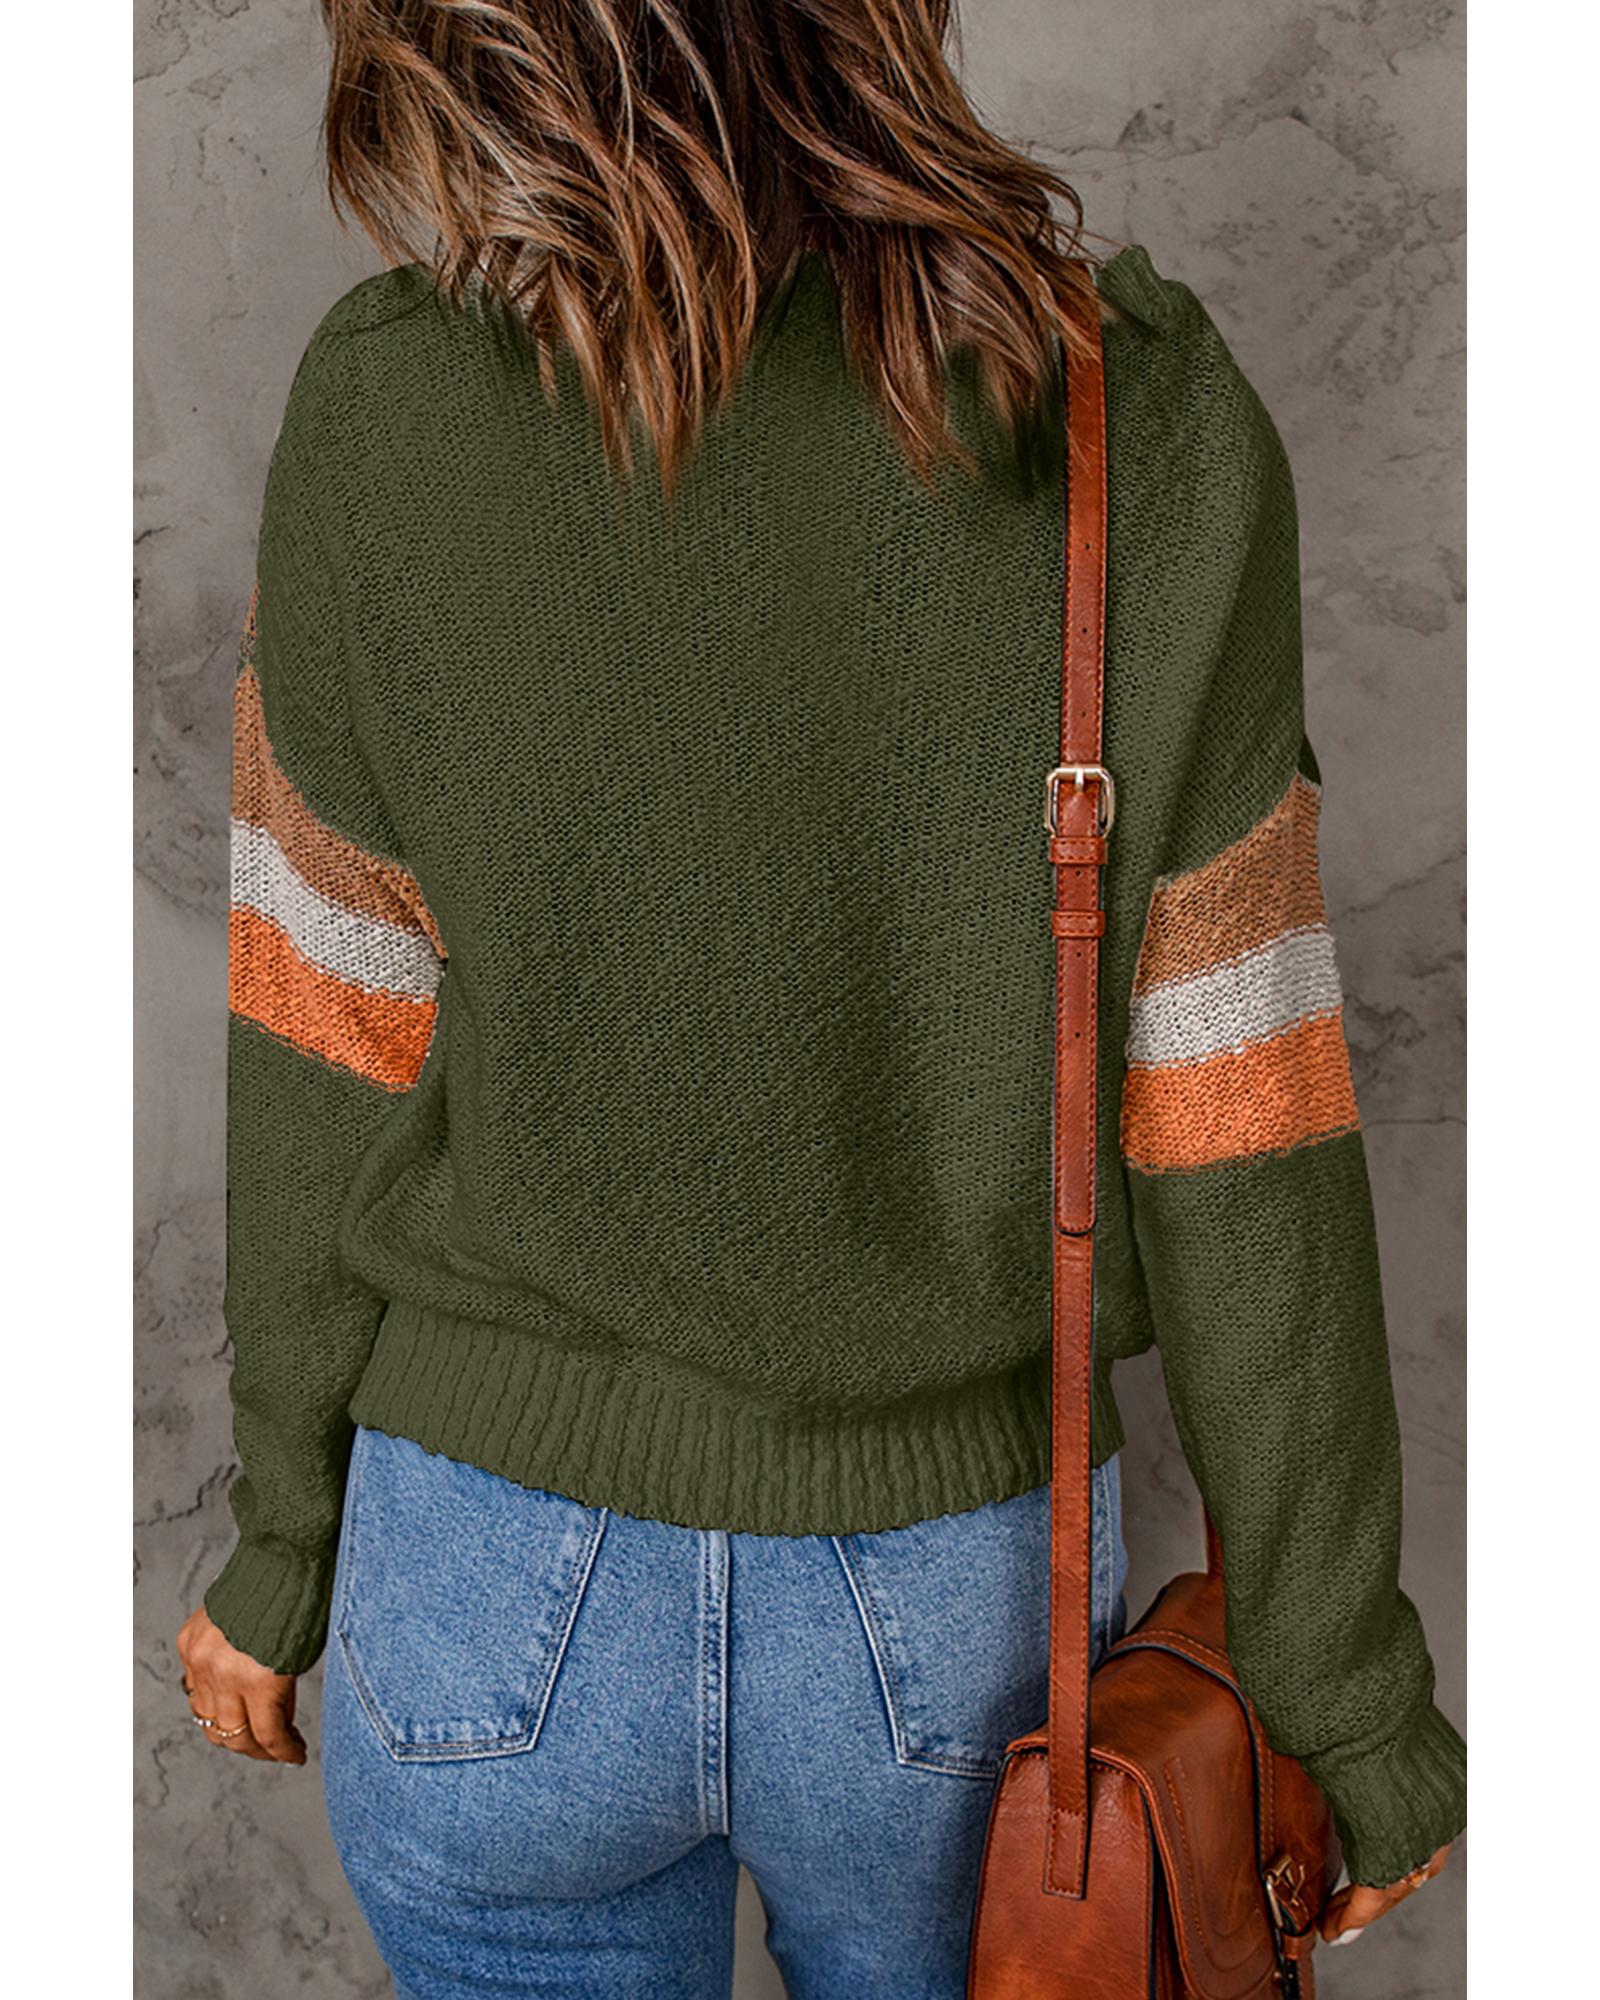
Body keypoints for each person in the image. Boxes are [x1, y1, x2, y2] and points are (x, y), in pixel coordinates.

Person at [174, 3, 1466, 1993]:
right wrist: (1339, 1691)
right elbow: (1242, 1116)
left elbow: (322, 1042)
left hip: (485, 1587)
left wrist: (281, 1549)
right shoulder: (1132, 416)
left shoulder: (384, 406)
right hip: (950, 1618)